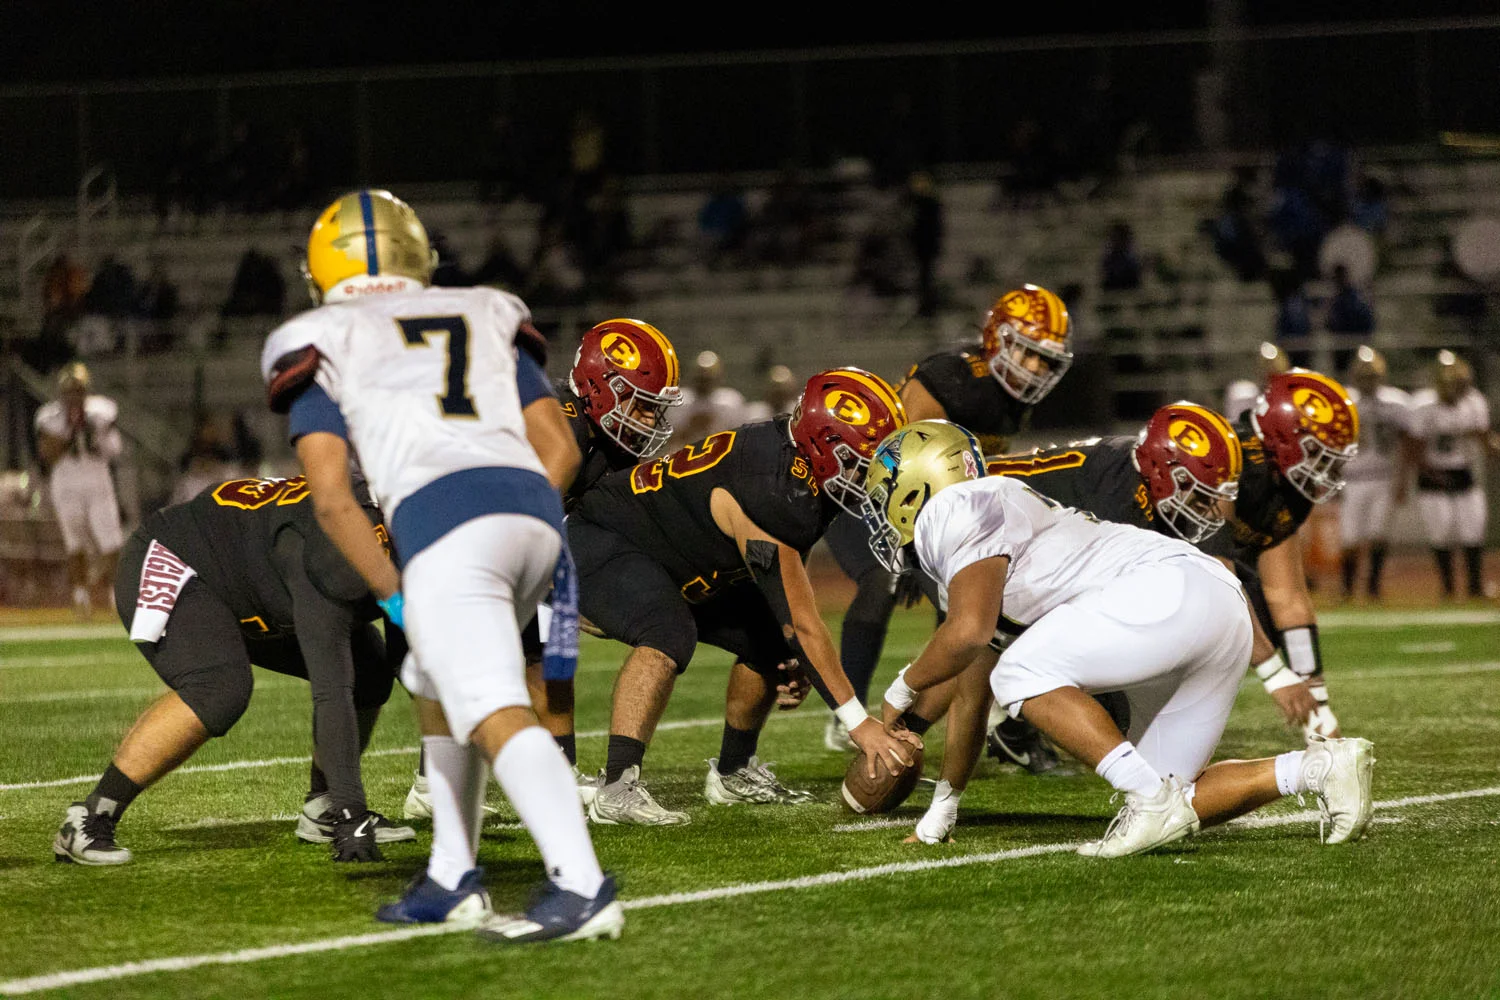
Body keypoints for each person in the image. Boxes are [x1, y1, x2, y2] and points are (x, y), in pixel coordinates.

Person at [261, 189, 619, 943]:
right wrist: (511, 516)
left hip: (447, 529)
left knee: (489, 703)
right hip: (531, 513)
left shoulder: (319, 335)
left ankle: (583, 888)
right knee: (433, 682)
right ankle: (454, 874)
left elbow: (331, 501)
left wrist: (398, 600)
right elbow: (560, 448)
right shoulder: (484, 308)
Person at [862, 420, 1375, 854]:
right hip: (1215, 604)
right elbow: (972, 689)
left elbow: (970, 636)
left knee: (1022, 671)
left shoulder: (957, 507)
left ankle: (1151, 800)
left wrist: (899, 692)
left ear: (917, 483)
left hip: (1169, 591)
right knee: (1169, 790)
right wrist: (941, 813)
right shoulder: (983, 548)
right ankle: (1319, 767)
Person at [566, 368, 919, 824]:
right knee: (668, 632)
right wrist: (858, 723)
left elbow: (785, 587)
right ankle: (617, 788)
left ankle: (733, 773)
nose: (867, 477)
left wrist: (790, 650)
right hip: (602, 540)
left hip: (671, 554)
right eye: (859, 461)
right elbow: (804, 622)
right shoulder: (773, 488)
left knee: (770, 639)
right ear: (823, 445)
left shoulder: (795, 466)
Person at [52, 471, 412, 866]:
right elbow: (331, 689)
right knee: (218, 688)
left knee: (372, 669)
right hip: (177, 558)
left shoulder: (390, 533)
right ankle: (90, 816)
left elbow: (411, 659)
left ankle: (323, 806)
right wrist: (353, 816)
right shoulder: (331, 546)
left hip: (255, 581)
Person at [402, 317, 684, 818]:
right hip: (463, 532)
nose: (645, 418)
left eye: (652, 407)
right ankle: (431, 784)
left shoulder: (595, 434)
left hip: (502, 536)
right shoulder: (558, 427)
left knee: (546, 661)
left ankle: (555, 769)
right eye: (639, 402)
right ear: (600, 387)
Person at [821, 284, 1074, 752]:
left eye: (1045, 360)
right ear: (998, 338)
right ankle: (847, 714)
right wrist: (911, 542)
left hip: (934, 508)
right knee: (883, 581)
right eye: (1027, 353)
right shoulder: (951, 377)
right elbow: (904, 459)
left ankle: (999, 720)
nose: (1035, 368)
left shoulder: (1010, 399)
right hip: (867, 493)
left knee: (974, 607)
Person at [1202, 369, 1361, 740]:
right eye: (1319, 454)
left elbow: (1287, 596)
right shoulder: (1231, 461)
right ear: (1285, 437)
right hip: (1129, 563)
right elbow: (1215, 571)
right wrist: (1275, 674)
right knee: (1220, 603)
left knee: (1258, 599)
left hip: (1201, 569)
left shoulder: (1289, 487)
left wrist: (1318, 705)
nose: (1326, 468)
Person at [1403, 351, 1498, 600]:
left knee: (1473, 528)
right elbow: (1413, 450)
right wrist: (1431, 474)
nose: (1460, 388)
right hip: (1433, 475)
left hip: (1463, 472)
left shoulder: (1474, 401)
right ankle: (1448, 588)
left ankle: (1475, 586)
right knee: (1441, 531)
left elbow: (1485, 439)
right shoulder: (1423, 405)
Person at [33, 363, 125, 619]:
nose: (74, 396)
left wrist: (94, 433)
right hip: (66, 484)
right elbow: (46, 455)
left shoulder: (101, 411)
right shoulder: (48, 417)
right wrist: (71, 431)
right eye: (69, 391)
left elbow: (115, 450)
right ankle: (80, 597)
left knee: (111, 543)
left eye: (78, 390)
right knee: (75, 544)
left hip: (97, 480)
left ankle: (116, 596)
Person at [1338, 346, 1413, 601]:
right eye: (1363, 375)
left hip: (1383, 476)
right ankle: (1347, 588)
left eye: (1372, 376)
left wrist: (1402, 479)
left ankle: (1373, 588)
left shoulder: (1396, 402)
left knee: (1379, 535)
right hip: (1354, 478)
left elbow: (1407, 442)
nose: (1368, 381)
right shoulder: (1343, 400)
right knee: (1350, 538)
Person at [670, 350, 749, 448]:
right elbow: (669, 441)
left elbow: (740, 439)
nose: (704, 383)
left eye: (708, 378)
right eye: (701, 378)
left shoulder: (731, 401)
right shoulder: (678, 399)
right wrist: (691, 427)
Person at [1222, 341, 1290, 425]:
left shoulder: (1293, 396)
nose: (1271, 366)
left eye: (1274, 362)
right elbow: (1237, 426)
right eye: (1266, 363)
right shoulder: (1242, 392)